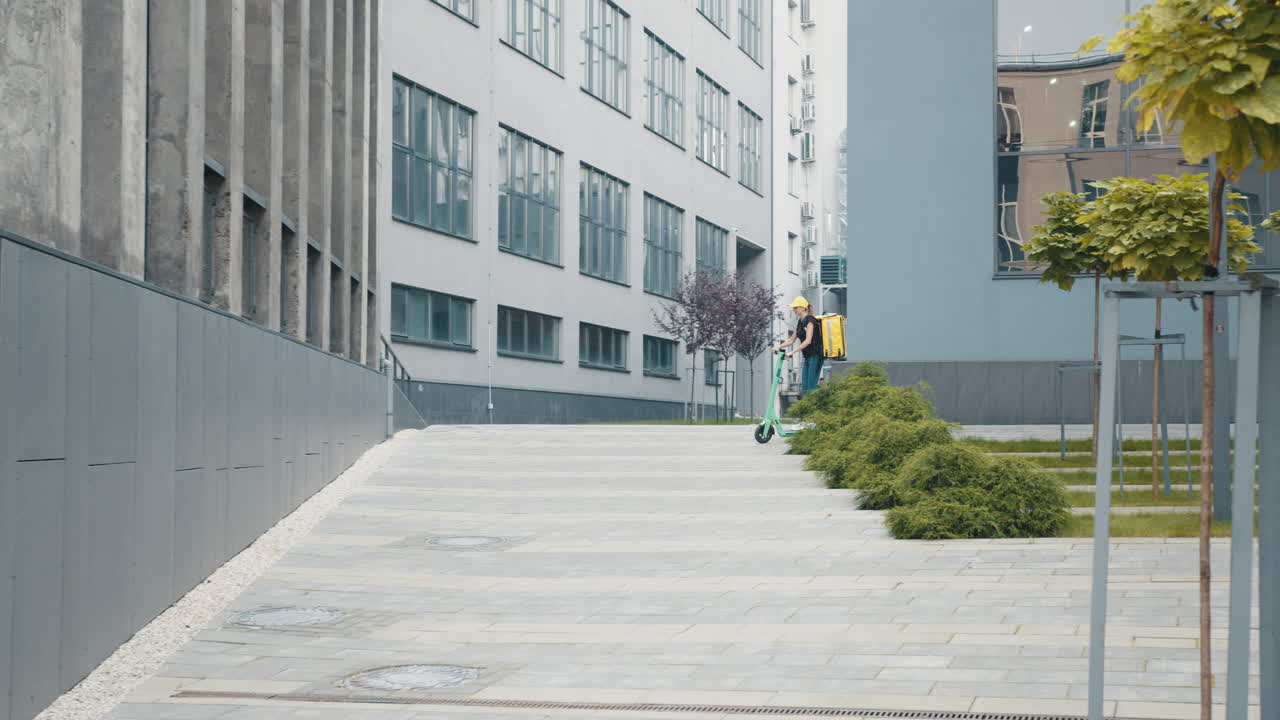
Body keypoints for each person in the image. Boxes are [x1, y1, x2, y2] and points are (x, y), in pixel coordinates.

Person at [773, 296, 824, 397]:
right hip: (807, 356)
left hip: (815, 356)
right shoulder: (800, 322)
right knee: (804, 387)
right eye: (793, 307)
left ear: (803, 308)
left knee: (811, 388)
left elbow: (808, 341)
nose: (794, 310)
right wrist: (778, 347)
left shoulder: (810, 321)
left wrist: (791, 353)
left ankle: (815, 405)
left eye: (796, 307)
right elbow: (792, 339)